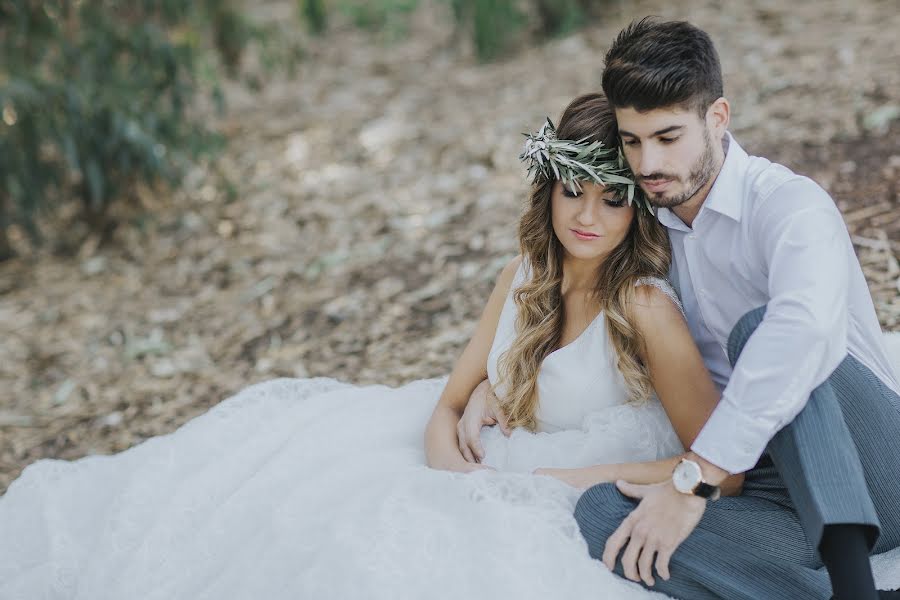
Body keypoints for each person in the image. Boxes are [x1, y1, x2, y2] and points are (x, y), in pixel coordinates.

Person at [0, 93, 740, 600]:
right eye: (572, 188)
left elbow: (719, 468)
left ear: (636, 207)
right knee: (292, 511)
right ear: (546, 188)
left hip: (569, 493)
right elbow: (447, 405)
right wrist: (453, 470)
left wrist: (564, 480)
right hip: (482, 475)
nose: (588, 215)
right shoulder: (524, 275)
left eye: (613, 198)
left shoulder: (643, 306)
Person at [460, 17, 900, 600]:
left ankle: (853, 588)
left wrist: (695, 480)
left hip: (869, 469)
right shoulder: (651, 228)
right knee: (603, 518)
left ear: (717, 118)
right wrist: (506, 377)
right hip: (760, 484)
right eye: (633, 141)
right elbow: (588, 309)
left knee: (762, 330)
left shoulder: (790, 208)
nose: (647, 164)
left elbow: (804, 337)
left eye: (668, 138)